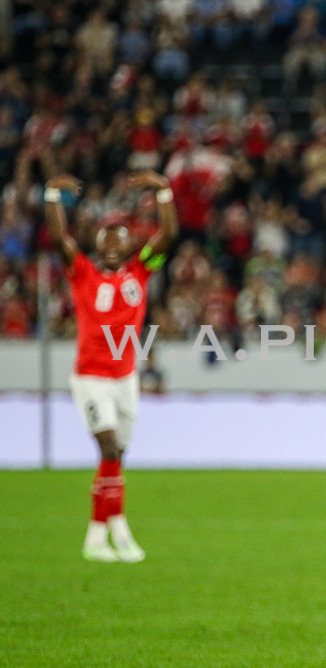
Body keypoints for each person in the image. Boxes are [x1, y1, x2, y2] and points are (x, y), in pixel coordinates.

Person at [45, 170, 179, 563]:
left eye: (118, 242)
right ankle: (111, 533)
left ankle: (101, 534)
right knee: (106, 447)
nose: (111, 248)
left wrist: (163, 192)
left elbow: (167, 236)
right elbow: (59, 239)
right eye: (105, 242)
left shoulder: (141, 270)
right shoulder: (82, 272)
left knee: (117, 454)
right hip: (91, 378)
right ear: (97, 245)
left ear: (127, 245)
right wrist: (52, 193)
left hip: (125, 378)